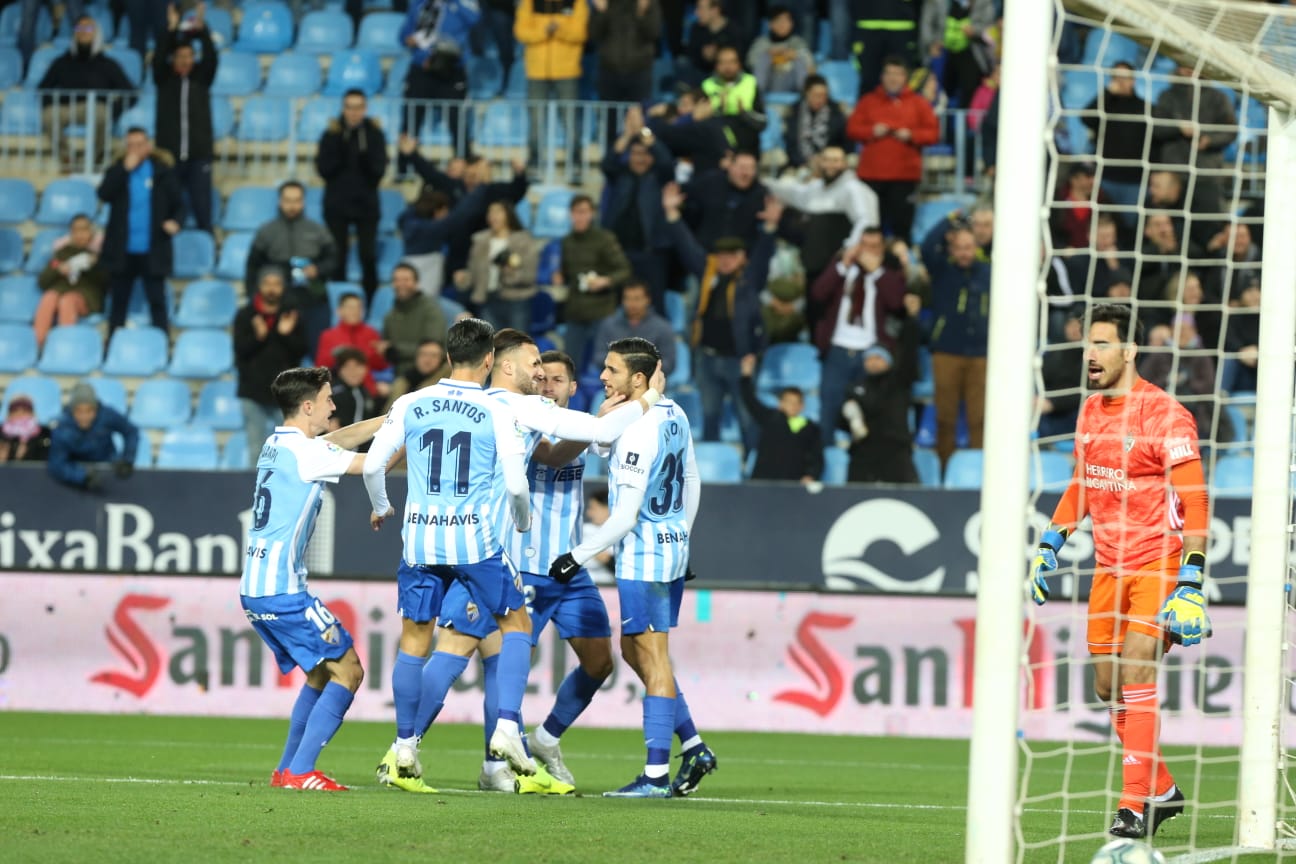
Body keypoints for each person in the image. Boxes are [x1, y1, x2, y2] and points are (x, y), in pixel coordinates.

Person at [422, 328, 665, 793]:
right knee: (484, 656)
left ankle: (547, 738)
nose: (547, 385)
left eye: (556, 380)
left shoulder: (562, 416)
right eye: (542, 376)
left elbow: (614, 443)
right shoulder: (524, 418)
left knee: (599, 663)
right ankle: (459, 754)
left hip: (569, 569)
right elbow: (555, 457)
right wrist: (611, 414)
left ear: (572, 387)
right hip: (521, 560)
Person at [1030, 303, 1210, 840]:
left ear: (1129, 351)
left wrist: (1192, 578)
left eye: (1103, 344)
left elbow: (1195, 502)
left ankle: (1134, 806)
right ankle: (1162, 787)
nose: (1091, 354)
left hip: (1158, 564)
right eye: (1089, 343)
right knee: (1108, 687)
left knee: (1136, 668)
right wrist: (1051, 539)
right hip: (1108, 567)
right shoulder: (1089, 412)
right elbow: (1084, 481)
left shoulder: (1167, 416)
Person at [549, 337, 716, 798]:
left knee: (653, 655)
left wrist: (576, 556)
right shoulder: (674, 415)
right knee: (634, 650)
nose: (602, 377)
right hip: (670, 547)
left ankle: (656, 774)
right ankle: (695, 746)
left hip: (643, 555)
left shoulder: (640, 430)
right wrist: (683, 534)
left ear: (638, 379)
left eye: (612, 370)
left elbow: (622, 516)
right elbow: (693, 478)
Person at [242, 367, 386, 792]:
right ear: (308, 407)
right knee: (350, 672)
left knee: (321, 674)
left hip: (257, 588)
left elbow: (334, 441)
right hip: (283, 591)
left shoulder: (277, 443)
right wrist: (415, 430)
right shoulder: (310, 454)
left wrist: (388, 420)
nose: (334, 406)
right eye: (327, 399)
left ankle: (287, 771)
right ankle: (302, 770)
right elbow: (375, 462)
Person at [663, 182, 776, 449]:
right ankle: (710, 472)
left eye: (732, 256)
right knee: (709, 415)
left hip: (740, 360)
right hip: (708, 358)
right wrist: (672, 216)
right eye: (721, 255)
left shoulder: (750, 279)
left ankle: (752, 468)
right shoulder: (708, 274)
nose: (725, 261)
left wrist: (770, 229)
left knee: (747, 416)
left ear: (741, 258)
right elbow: (686, 246)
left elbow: (762, 256)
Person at [811, 227, 909, 448]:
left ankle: (865, 463)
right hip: (837, 350)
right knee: (829, 407)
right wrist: (843, 264)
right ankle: (824, 458)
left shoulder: (888, 274)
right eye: (864, 246)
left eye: (874, 247)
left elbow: (896, 302)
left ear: (882, 249)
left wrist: (876, 272)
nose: (868, 252)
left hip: (870, 353)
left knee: (869, 413)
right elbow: (818, 292)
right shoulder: (843, 270)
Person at [97, 128, 183, 337]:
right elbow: (103, 194)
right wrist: (123, 170)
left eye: (139, 144)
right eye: (131, 145)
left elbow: (180, 205)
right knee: (118, 304)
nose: (135, 149)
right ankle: (112, 347)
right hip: (122, 251)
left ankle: (163, 345)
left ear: (148, 146)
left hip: (153, 250)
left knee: (157, 302)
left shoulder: (162, 172)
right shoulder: (117, 170)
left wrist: (175, 222)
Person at [845, 55, 940, 242]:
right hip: (871, 176)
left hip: (904, 177)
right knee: (869, 229)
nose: (893, 78)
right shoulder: (868, 101)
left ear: (905, 78)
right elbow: (852, 129)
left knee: (902, 231)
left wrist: (911, 135)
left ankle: (900, 267)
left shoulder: (918, 103)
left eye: (898, 74)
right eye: (889, 73)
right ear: (882, 76)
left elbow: (933, 134)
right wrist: (872, 131)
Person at [245, 181, 338, 352]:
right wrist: (253, 299)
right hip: (277, 302)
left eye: (296, 200)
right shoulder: (266, 232)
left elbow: (333, 260)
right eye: (287, 200)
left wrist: (318, 269)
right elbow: (252, 268)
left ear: (303, 202)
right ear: (280, 201)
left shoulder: (318, 230)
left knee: (316, 352)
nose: (292, 205)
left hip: (313, 299)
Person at [317, 90, 390, 304]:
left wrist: (364, 157)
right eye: (350, 107)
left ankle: (371, 303)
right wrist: (341, 149)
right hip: (336, 206)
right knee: (337, 259)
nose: (354, 112)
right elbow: (323, 169)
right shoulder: (331, 134)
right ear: (343, 108)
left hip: (366, 206)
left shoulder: (375, 134)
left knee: (368, 256)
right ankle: (339, 304)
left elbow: (378, 171)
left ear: (364, 109)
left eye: (358, 107)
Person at [234, 270, 308, 468]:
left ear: (283, 288)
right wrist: (257, 337)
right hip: (253, 392)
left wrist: (286, 335)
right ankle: (257, 495)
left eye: (277, 283)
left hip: (285, 394)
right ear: (260, 286)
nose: (272, 288)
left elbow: (301, 352)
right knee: (256, 448)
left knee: (288, 449)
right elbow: (239, 351)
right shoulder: (246, 315)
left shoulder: (291, 315)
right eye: (267, 283)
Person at [154, 2, 218, 232]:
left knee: (203, 210)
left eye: (190, 56)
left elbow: (211, 57)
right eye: (181, 56)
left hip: (199, 157)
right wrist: (171, 30)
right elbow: (159, 57)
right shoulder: (163, 80)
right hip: (169, 157)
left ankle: (207, 245)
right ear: (174, 58)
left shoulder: (202, 79)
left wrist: (202, 31)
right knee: (166, 212)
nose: (186, 60)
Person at [37, 15, 135, 161]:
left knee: (102, 113)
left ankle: (93, 158)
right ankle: (67, 158)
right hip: (66, 108)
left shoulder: (108, 64)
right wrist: (53, 102)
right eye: (79, 28)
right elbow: (43, 88)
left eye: (88, 28)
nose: (83, 31)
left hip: (95, 108)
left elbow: (131, 93)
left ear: (96, 33)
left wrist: (113, 109)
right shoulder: (61, 62)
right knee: (48, 115)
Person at [555, 195, 632, 373]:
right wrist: (559, 276)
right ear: (570, 214)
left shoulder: (605, 239)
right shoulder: (567, 241)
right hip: (575, 311)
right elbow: (567, 274)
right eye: (576, 212)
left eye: (584, 212)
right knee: (569, 368)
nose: (580, 217)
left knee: (608, 366)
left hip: (602, 312)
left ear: (592, 214)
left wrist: (606, 281)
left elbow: (624, 270)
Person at [514, 0, 589, 172]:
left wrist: (559, 29)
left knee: (570, 119)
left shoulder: (577, 2)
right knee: (536, 120)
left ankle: (575, 162)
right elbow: (521, 32)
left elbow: (581, 33)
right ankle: (535, 162)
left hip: (567, 70)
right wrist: (545, 30)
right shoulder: (530, 2)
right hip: (536, 70)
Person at [398, 0, 480, 157]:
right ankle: (404, 168)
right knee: (411, 120)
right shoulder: (419, 4)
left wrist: (453, 3)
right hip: (422, 68)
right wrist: (411, 41)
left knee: (456, 121)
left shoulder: (462, 3)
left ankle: (464, 164)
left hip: (452, 69)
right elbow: (403, 36)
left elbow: (474, 19)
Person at [453, 200, 541, 333]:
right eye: (490, 212)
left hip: (516, 300)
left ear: (508, 214)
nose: (493, 215)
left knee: (515, 345)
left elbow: (530, 275)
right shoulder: (480, 241)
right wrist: (464, 278)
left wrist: (510, 274)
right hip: (488, 300)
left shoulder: (524, 241)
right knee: (492, 345)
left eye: (498, 211)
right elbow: (473, 273)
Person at [737, 354, 822, 484]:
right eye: (788, 401)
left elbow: (817, 457)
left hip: (792, 487)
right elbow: (749, 400)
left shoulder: (811, 428)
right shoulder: (770, 418)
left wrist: (811, 475)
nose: (792, 406)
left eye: (796, 402)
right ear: (780, 404)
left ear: (802, 406)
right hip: (762, 483)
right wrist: (746, 375)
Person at [47, 383, 139, 491]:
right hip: (76, 470)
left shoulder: (107, 415)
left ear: (96, 409)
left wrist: (127, 459)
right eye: (79, 411)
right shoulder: (62, 427)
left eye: (89, 410)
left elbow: (131, 431)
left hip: (108, 468)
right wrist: (82, 477)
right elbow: (57, 464)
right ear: (72, 411)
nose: (84, 416)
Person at [34, 213, 106, 348]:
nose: (81, 234)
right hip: (60, 291)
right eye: (76, 230)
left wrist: (94, 265)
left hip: (87, 297)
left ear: (91, 231)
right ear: (71, 233)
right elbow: (42, 282)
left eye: (84, 229)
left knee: (67, 300)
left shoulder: (99, 255)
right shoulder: (61, 253)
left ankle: (64, 345)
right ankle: (38, 345)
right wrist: (58, 270)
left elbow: (105, 284)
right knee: (49, 297)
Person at [591, 280, 677, 378]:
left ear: (648, 299)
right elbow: (598, 357)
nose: (632, 304)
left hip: (651, 386)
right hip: (615, 386)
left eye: (637, 299)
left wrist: (640, 365)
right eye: (627, 298)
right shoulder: (608, 325)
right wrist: (622, 362)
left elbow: (669, 363)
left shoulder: (663, 327)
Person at [700, 45, 767, 156]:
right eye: (723, 62)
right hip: (716, 148)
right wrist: (719, 110)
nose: (728, 67)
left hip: (747, 147)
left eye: (732, 62)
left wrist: (745, 114)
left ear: (739, 64)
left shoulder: (750, 82)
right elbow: (700, 121)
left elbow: (762, 122)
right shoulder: (707, 86)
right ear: (716, 65)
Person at [382, 263, 450, 371]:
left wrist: (395, 350)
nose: (401, 284)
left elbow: (432, 350)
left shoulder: (431, 310)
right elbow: (387, 349)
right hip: (401, 374)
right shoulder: (390, 316)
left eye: (406, 280)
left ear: (416, 283)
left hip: (430, 373)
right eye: (397, 280)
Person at [783, 74, 849, 170]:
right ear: (807, 93)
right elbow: (790, 144)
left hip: (831, 166)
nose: (820, 99)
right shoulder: (793, 112)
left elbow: (844, 143)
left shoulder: (836, 113)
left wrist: (826, 161)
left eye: (824, 95)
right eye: (816, 95)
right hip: (799, 165)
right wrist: (804, 163)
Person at [746, 4, 814, 96]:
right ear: (770, 24)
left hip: (792, 83)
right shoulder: (762, 42)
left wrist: (795, 55)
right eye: (778, 21)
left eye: (786, 21)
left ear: (791, 24)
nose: (782, 25)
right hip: (769, 82)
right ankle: (758, 97)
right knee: (763, 58)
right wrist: (770, 54)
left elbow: (810, 66)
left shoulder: (798, 42)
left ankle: (804, 98)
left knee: (800, 59)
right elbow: (750, 63)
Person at [386, 339, 449, 410]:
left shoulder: (446, 384)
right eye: (423, 354)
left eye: (433, 356)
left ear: (442, 359)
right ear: (416, 357)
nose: (427, 360)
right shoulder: (401, 382)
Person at [0, 396, 52, 464]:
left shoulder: (44, 434)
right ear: (9, 414)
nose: (20, 414)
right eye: (15, 410)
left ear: (32, 413)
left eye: (25, 410)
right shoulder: (2, 434)